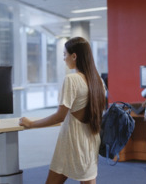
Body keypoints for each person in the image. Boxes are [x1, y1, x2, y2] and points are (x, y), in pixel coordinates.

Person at [19, 37, 106, 184]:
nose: (64, 59)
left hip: (72, 141)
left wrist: (31, 124)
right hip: (91, 139)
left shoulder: (72, 80)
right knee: (88, 179)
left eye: (65, 54)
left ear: (74, 56)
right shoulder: (98, 81)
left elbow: (59, 116)